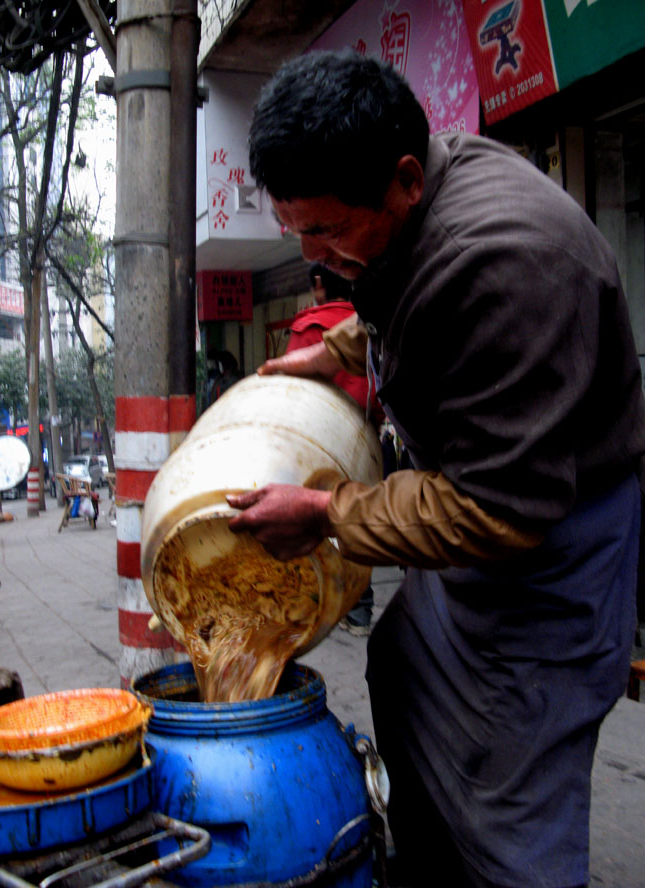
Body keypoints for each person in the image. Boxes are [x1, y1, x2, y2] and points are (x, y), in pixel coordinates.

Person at [226, 49, 645, 888]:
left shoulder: (505, 263)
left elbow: (500, 512)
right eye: (296, 230)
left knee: (507, 798)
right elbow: (405, 298)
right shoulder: (422, 178)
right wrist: (341, 348)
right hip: (475, 527)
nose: (314, 257)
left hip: (546, 551)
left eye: (326, 230)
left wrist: (325, 512)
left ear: (404, 181)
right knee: (404, 674)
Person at [287, 261, 380, 635]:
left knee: (317, 523)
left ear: (320, 284)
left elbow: (291, 395)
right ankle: (360, 609)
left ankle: (321, 606)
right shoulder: (368, 323)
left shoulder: (308, 327)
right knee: (364, 518)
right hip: (365, 439)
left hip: (316, 445)